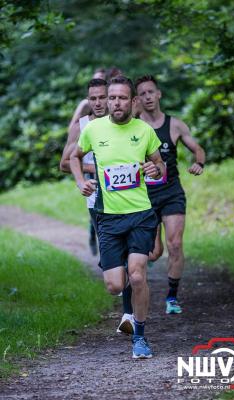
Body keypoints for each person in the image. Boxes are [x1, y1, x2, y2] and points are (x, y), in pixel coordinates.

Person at [70, 76, 165, 359]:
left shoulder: (144, 130)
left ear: (132, 101)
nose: (116, 103)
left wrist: (154, 169)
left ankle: (140, 337)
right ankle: (130, 308)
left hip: (140, 214)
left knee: (137, 275)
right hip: (109, 218)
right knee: (114, 285)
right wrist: (80, 182)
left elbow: (159, 164)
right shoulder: (93, 129)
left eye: (123, 98)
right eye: (112, 98)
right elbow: (75, 156)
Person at [134, 74, 206, 315]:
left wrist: (199, 163)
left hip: (172, 191)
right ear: (138, 99)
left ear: (159, 94)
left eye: (150, 92)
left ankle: (172, 297)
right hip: (145, 196)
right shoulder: (134, 126)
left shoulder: (174, 124)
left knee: (175, 244)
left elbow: (197, 148)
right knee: (155, 252)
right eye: (142, 93)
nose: (147, 97)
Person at [60, 78, 108, 251]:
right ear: (88, 100)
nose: (98, 103)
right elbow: (64, 164)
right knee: (108, 246)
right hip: (96, 195)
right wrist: (92, 168)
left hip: (126, 193)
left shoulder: (121, 122)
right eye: (93, 99)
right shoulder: (81, 126)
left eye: (102, 97)